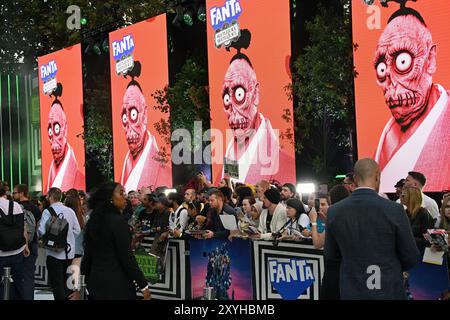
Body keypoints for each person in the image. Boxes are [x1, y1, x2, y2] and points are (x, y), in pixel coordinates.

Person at [372, 4, 450, 192]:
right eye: (382, 69)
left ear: (430, 60)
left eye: (403, 62)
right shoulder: (386, 137)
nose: (392, 90)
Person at [325, 158, 420, 300]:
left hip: (352, 290)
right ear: (377, 177)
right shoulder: (394, 210)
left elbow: (331, 254)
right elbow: (411, 256)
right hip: (388, 289)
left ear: (355, 179)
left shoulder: (334, 211)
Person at [218, 30, 295, 184]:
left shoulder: (287, 168)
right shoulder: (227, 161)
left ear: (255, 94)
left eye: (239, 95)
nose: (233, 112)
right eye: (227, 99)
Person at [80, 182, 151, 300]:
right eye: (121, 193)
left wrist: (80, 286)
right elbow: (127, 257)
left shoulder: (93, 221)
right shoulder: (118, 222)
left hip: (95, 283)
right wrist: (143, 286)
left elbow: (87, 257)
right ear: (109, 198)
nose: (125, 197)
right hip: (117, 284)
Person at [119, 62, 171, 192]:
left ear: (145, 114)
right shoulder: (124, 170)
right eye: (124, 118)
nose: (129, 129)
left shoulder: (165, 175)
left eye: (133, 114)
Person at [38, 187, 80, 300]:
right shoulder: (70, 211)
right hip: (69, 252)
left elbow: (41, 231)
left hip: (53, 253)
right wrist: (68, 238)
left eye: (47, 196)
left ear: (51, 197)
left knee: (57, 283)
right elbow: (77, 230)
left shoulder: (48, 211)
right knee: (67, 282)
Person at [45, 84, 85, 192]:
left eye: (57, 129)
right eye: (50, 131)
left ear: (65, 128)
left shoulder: (80, 181)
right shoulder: (47, 184)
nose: (54, 142)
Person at [318, 185, 350, 300]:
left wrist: (313, 222)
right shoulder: (349, 214)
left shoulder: (334, 213)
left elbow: (318, 244)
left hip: (334, 268)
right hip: (347, 269)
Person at [0, 182, 30, 300]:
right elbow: (24, 228)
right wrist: (26, 246)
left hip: (1, 252)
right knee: (18, 284)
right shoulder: (16, 205)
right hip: (18, 250)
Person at [12, 184, 41, 300]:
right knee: (29, 277)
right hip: (33, 245)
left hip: (20, 247)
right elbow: (38, 227)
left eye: (14, 193)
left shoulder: (16, 207)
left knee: (17, 277)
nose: (13, 195)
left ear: (21, 193)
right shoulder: (35, 208)